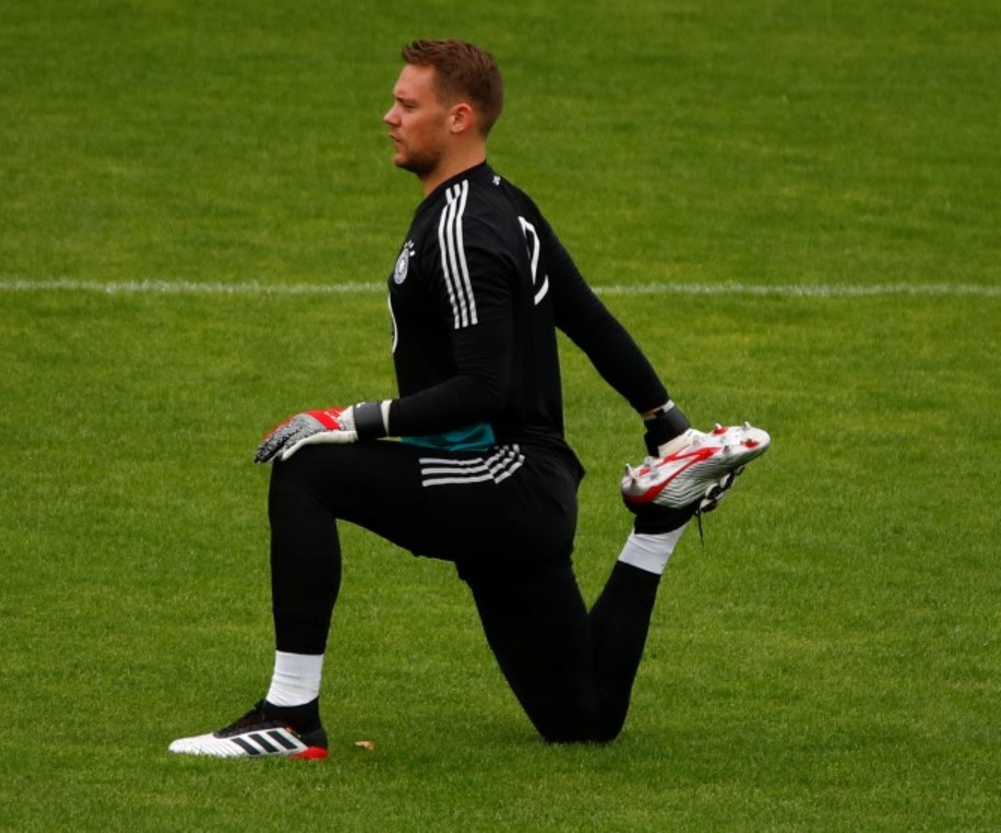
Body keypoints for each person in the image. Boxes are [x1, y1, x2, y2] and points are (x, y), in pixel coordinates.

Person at [168, 39, 768, 759]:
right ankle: (659, 522)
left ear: (457, 118)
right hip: (527, 491)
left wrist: (350, 420)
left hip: (502, 480)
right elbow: (586, 317)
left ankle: (291, 718)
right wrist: (668, 426)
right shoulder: (506, 205)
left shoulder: (464, 226)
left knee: (306, 473)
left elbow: (483, 391)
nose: (389, 116)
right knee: (581, 718)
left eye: (407, 104)